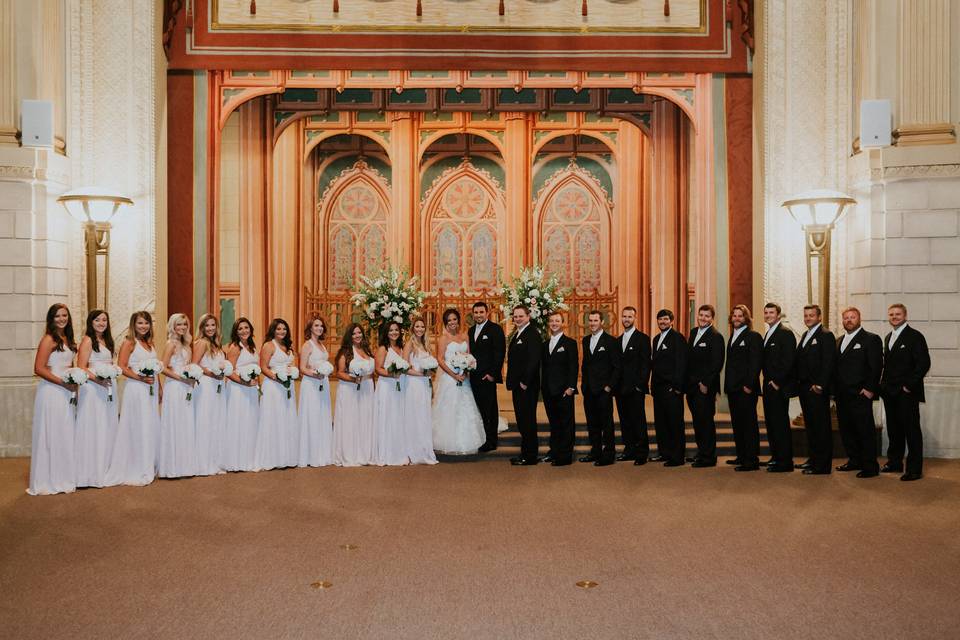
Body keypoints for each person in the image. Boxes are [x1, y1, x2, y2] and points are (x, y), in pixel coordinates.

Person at [104, 311, 159, 487]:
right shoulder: (129, 342)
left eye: (146, 323)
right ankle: (136, 465)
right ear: (133, 324)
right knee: (138, 424)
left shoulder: (149, 343)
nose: (144, 326)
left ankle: (148, 462)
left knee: (149, 424)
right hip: (136, 389)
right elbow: (121, 366)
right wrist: (140, 378)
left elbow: (156, 368)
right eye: (140, 323)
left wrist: (160, 389)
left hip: (151, 387)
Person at [28, 303, 78, 495]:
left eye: (64, 315)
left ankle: (64, 475)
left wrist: (74, 381)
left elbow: (69, 364)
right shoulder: (48, 339)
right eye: (57, 316)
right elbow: (38, 368)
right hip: (52, 391)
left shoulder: (68, 338)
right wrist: (62, 383)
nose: (61, 319)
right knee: (52, 431)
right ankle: (48, 478)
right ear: (51, 319)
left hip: (67, 390)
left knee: (65, 432)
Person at [880, 303, 931, 481]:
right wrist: (882, 386)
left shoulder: (915, 336)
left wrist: (909, 385)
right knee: (894, 430)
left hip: (906, 392)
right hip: (889, 392)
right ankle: (895, 462)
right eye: (891, 314)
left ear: (905, 315)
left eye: (898, 314)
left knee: (911, 430)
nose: (894, 317)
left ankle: (914, 469)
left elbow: (924, 363)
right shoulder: (888, 337)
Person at [834, 306, 883, 478]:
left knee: (864, 431)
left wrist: (869, 389)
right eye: (846, 318)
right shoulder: (838, 340)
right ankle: (854, 460)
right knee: (847, 430)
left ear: (859, 319)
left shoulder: (871, 339)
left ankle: (870, 466)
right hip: (841, 395)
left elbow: (876, 367)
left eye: (852, 317)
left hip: (860, 394)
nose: (848, 320)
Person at [432, 308, 486, 456]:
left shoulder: (465, 336)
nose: (452, 323)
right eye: (449, 320)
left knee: (465, 407)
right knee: (450, 408)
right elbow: (440, 359)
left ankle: (468, 441)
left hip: (464, 377)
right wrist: (453, 375)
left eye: (454, 319)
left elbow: (468, 355)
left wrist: (467, 368)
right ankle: (447, 441)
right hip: (449, 379)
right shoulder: (443, 338)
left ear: (458, 320)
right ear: (445, 323)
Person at [75, 309, 118, 489]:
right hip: (93, 388)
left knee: (107, 425)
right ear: (90, 322)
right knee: (94, 425)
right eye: (97, 320)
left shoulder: (107, 340)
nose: (101, 323)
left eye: (104, 320)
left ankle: (105, 466)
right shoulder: (88, 340)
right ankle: (89, 472)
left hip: (108, 386)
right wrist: (98, 380)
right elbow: (81, 367)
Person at [794, 304, 835, 475]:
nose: (808, 318)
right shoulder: (805, 334)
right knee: (811, 427)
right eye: (806, 315)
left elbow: (828, 362)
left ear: (819, 317)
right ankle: (813, 460)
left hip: (816, 389)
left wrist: (820, 385)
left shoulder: (826, 335)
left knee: (821, 428)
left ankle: (822, 466)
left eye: (811, 315)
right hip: (805, 389)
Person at [253, 318, 298, 471]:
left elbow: (291, 364)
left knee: (286, 418)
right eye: (278, 329)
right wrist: (276, 377)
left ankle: (286, 456)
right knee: (273, 419)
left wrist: (291, 372)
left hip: (287, 386)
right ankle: (271, 457)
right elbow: (263, 367)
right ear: (273, 330)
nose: (282, 331)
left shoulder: (288, 346)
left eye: (284, 329)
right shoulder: (268, 345)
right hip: (273, 386)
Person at [158, 313, 198, 479]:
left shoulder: (188, 345)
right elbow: (163, 367)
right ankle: (171, 467)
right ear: (172, 326)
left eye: (184, 325)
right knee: (174, 422)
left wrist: (191, 375)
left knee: (185, 423)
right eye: (178, 325)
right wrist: (181, 377)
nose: (182, 328)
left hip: (186, 387)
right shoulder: (171, 344)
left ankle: (185, 465)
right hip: (174, 387)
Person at [684, 304, 725, 467]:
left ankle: (709, 457)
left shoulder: (716, 336)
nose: (703, 318)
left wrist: (705, 383)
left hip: (704, 387)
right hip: (692, 387)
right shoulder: (693, 333)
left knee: (706, 422)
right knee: (697, 422)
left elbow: (717, 363)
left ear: (712, 318)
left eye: (707, 316)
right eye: (701, 315)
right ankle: (702, 452)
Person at [724, 304, 763, 471]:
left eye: (740, 316)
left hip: (746, 389)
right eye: (734, 316)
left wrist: (749, 385)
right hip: (733, 389)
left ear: (746, 318)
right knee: (737, 423)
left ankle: (751, 460)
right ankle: (741, 456)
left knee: (748, 425)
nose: (737, 318)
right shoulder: (732, 336)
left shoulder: (753, 336)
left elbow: (755, 363)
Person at [579, 310, 621, 466]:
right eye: (590, 320)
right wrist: (583, 385)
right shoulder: (585, 340)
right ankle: (595, 451)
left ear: (602, 322)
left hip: (604, 390)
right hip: (589, 389)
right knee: (592, 423)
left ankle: (608, 454)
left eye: (595, 320)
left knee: (606, 423)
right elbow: (585, 365)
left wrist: (609, 387)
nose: (592, 323)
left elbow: (617, 367)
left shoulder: (611, 341)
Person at [333, 323, 376, 466]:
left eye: (359, 333)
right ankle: (350, 454)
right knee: (350, 420)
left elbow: (372, 373)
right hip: (350, 389)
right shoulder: (345, 352)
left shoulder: (367, 350)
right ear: (349, 336)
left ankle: (364, 452)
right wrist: (354, 379)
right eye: (354, 333)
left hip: (367, 389)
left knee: (365, 420)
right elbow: (339, 372)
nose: (357, 336)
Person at [760, 302, 797, 473]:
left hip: (778, 387)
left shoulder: (785, 333)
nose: (768, 315)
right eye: (766, 312)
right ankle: (776, 457)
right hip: (768, 386)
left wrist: (777, 382)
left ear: (778, 314)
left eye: (771, 312)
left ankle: (785, 462)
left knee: (780, 425)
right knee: (772, 423)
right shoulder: (768, 333)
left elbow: (789, 361)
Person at [505, 305, 543, 465]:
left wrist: (524, 382)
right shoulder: (519, 333)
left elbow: (534, 361)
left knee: (527, 420)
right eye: (515, 316)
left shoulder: (532, 334)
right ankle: (525, 452)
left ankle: (530, 455)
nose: (518, 319)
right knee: (522, 420)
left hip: (526, 386)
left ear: (528, 317)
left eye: (521, 316)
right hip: (518, 385)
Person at [540, 311, 578, 466]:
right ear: (549, 323)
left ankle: (565, 456)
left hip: (564, 391)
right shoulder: (544, 345)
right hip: (549, 391)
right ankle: (554, 451)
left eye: (557, 320)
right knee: (554, 423)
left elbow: (573, 366)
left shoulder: (570, 343)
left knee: (566, 423)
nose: (554, 323)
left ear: (563, 323)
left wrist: (571, 387)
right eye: (551, 321)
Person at [650, 309, 687, 467]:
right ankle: (664, 453)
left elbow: (681, 364)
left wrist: (677, 387)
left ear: (672, 321)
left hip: (672, 389)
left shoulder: (678, 338)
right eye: (660, 320)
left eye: (665, 319)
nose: (662, 322)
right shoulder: (656, 339)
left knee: (674, 423)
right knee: (661, 423)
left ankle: (677, 457)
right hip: (658, 389)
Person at [192, 313, 228, 475]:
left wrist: (222, 371)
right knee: (205, 421)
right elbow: (194, 365)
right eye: (207, 325)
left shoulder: (217, 344)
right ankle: (203, 463)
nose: (210, 328)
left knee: (217, 421)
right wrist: (212, 373)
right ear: (202, 328)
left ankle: (216, 460)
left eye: (213, 325)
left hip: (218, 386)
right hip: (206, 386)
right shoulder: (201, 343)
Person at [223, 317, 261, 472]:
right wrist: (244, 382)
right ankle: (236, 460)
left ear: (250, 329)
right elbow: (229, 372)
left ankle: (250, 457)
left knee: (251, 421)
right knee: (238, 421)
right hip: (238, 389)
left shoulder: (252, 347)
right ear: (236, 332)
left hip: (251, 388)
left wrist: (258, 386)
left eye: (246, 328)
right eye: (240, 329)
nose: (244, 331)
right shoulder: (235, 348)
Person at [468, 301, 506, 452]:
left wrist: (492, 374)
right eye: (476, 312)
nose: (478, 315)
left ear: (487, 313)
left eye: (481, 312)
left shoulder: (495, 329)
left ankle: (492, 440)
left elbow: (499, 354)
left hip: (487, 377)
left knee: (490, 410)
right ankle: (485, 437)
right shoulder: (470, 331)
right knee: (481, 409)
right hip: (474, 377)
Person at [615, 306, 651, 464]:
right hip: (620, 389)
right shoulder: (617, 340)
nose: (626, 319)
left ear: (635, 318)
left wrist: (639, 385)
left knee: (638, 420)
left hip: (635, 388)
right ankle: (629, 449)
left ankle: (641, 453)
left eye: (629, 316)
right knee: (625, 421)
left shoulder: (642, 339)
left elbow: (646, 365)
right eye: (624, 316)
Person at [298, 314, 334, 468]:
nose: (319, 328)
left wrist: (324, 372)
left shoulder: (322, 345)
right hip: (311, 384)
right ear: (310, 328)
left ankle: (323, 453)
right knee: (312, 415)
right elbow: (302, 368)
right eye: (316, 326)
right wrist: (316, 374)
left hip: (323, 383)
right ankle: (310, 455)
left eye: (321, 326)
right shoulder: (307, 345)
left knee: (322, 415)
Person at [373, 321, 410, 466]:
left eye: (396, 330)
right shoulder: (384, 348)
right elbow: (378, 369)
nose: (394, 332)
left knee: (397, 417)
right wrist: (392, 374)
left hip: (399, 387)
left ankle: (397, 450)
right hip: (387, 387)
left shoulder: (401, 348)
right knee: (387, 417)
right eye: (391, 330)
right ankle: (385, 452)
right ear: (386, 333)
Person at [403, 317, 439, 465]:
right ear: (412, 328)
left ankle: (424, 449)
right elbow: (404, 367)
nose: (419, 329)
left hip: (425, 384)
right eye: (417, 326)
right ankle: (412, 451)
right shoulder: (410, 344)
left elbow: (430, 369)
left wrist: (429, 377)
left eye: (422, 326)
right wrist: (421, 375)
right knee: (415, 416)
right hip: (413, 384)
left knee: (424, 416)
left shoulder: (426, 345)